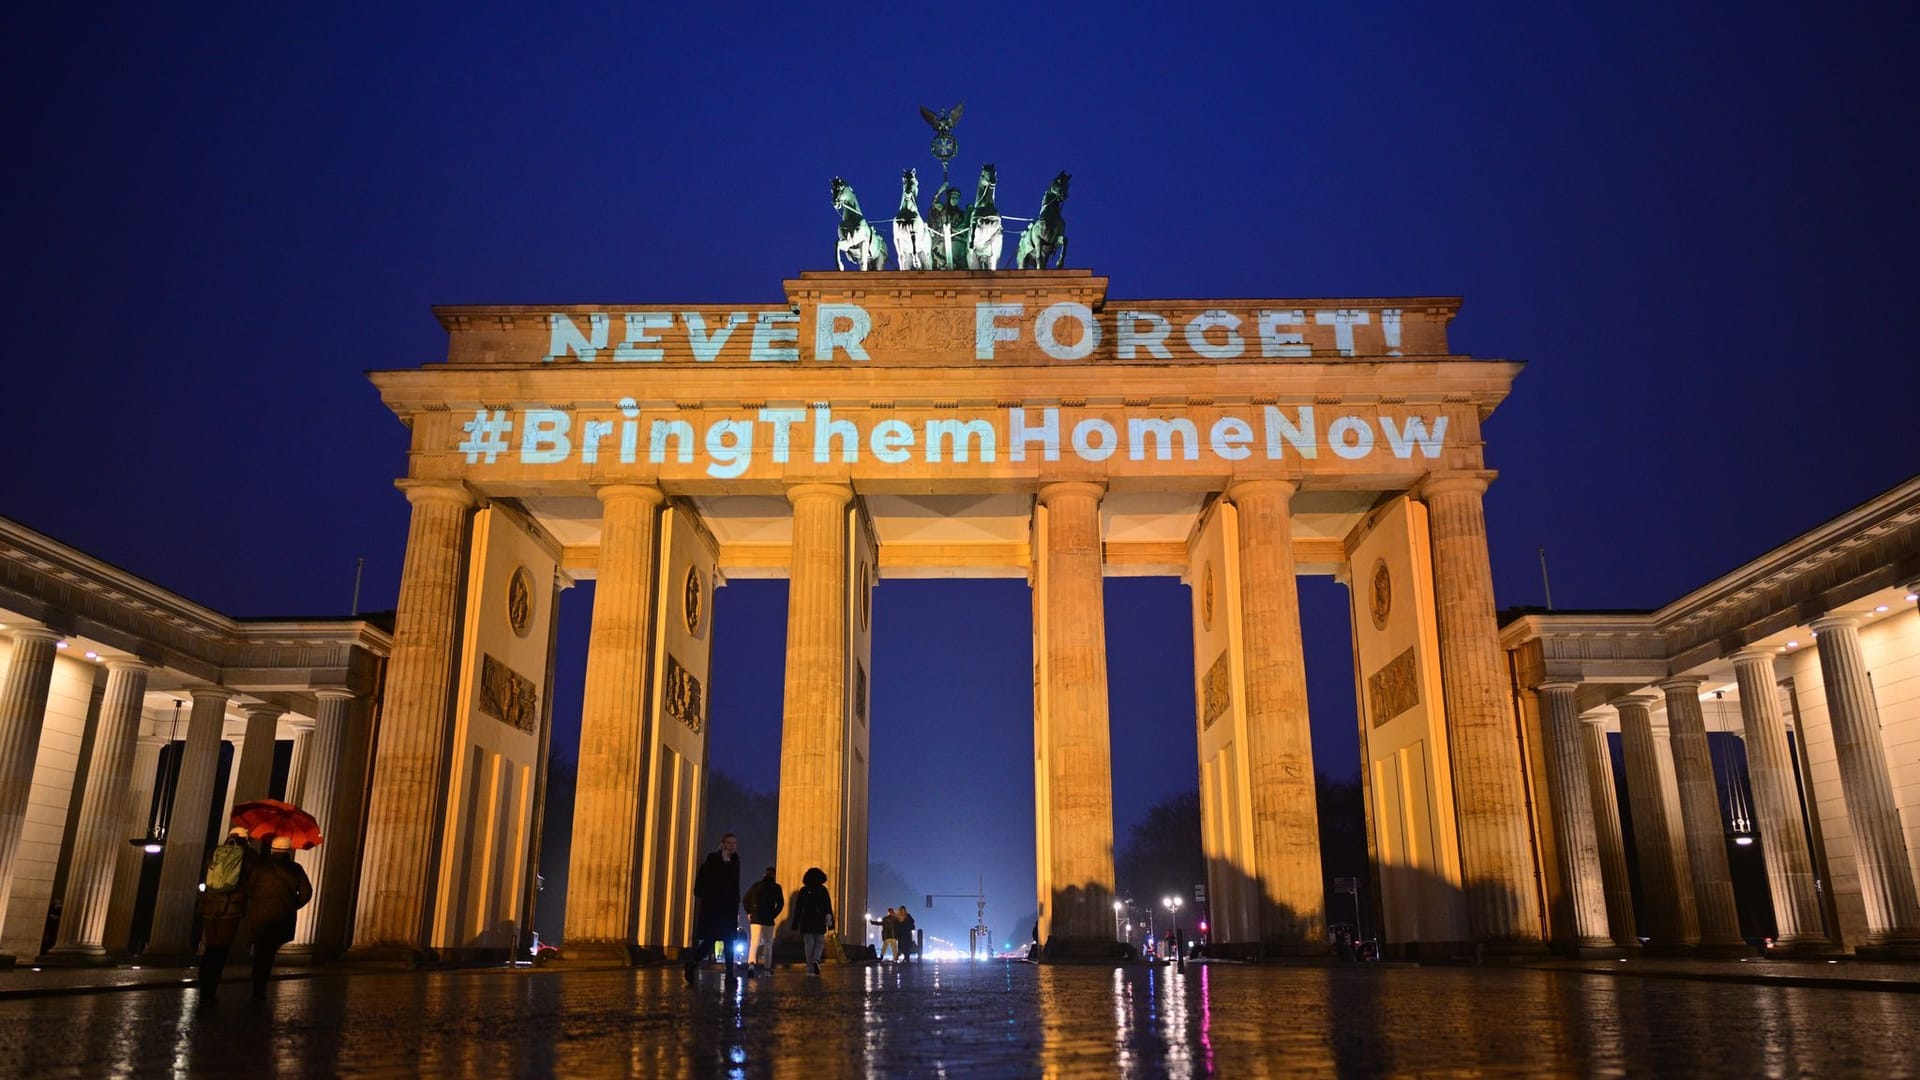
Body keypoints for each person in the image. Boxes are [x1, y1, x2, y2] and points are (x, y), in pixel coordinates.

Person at [242, 834, 312, 999]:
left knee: (261, 950)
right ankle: (261, 985)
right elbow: (306, 893)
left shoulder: (260, 867)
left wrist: (257, 900)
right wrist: (293, 904)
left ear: (272, 849)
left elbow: (249, 889)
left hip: (260, 916)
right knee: (269, 951)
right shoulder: (295, 868)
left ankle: (257, 985)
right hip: (282, 916)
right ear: (288, 850)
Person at [196, 826, 258, 996]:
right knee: (222, 947)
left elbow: (205, 873)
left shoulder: (214, 851)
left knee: (211, 945)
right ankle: (211, 987)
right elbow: (252, 882)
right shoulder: (249, 856)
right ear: (246, 839)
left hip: (210, 904)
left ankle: (203, 983)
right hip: (232, 906)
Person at [684, 832, 742, 983]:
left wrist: (736, 900)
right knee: (711, 940)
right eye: (729, 843)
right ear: (723, 844)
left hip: (728, 908)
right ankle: (692, 963)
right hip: (715, 908)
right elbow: (706, 880)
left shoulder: (736, 860)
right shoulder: (713, 859)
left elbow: (735, 884)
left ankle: (729, 975)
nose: (732, 846)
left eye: (734, 843)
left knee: (729, 941)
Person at [790, 866, 834, 975]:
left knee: (809, 944)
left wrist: (795, 924)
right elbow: (828, 906)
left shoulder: (804, 890)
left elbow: (798, 908)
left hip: (807, 921)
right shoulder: (823, 890)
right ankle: (816, 959)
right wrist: (831, 924)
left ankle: (809, 967)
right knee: (819, 942)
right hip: (819, 920)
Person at [741, 865, 784, 977]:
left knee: (754, 943)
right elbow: (780, 904)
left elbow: (745, 899)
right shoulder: (776, 887)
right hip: (768, 919)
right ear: (774, 876)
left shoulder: (756, 885)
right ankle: (767, 969)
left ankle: (751, 965)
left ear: (764, 875)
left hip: (756, 918)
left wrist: (749, 912)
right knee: (768, 943)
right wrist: (773, 914)